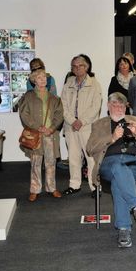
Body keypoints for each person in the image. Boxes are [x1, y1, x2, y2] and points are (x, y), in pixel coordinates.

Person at [86, 92, 136, 248]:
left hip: (134, 163)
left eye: (122, 105)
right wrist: (112, 138)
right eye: (115, 105)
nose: (118, 108)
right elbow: (90, 148)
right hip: (109, 164)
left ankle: (124, 228)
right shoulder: (99, 124)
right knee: (117, 167)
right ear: (109, 107)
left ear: (126, 107)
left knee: (119, 179)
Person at [19, 68, 64, 202]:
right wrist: (36, 126)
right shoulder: (28, 97)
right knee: (36, 162)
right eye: (39, 77)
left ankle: (52, 188)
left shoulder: (54, 98)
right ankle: (35, 189)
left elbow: (59, 114)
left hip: (50, 134)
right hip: (35, 134)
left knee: (51, 162)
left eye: (44, 77)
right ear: (34, 80)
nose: (43, 80)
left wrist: (51, 128)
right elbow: (24, 114)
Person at [61, 55, 102, 196]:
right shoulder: (68, 84)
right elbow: (63, 106)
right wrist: (73, 121)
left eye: (80, 66)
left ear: (87, 67)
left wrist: (81, 121)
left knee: (91, 158)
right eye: (74, 66)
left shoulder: (94, 84)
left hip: (87, 127)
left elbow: (96, 107)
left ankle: (94, 186)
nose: (77, 69)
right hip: (70, 126)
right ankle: (74, 184)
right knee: (73, 157)